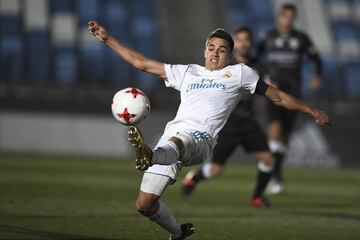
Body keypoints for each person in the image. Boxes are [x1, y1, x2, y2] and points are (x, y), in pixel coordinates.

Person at [88, 21, 329, 240]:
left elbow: (277, 97)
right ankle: (178, 232)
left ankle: (149, 156)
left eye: (222, 49)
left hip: (200, 140)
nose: (215, 53)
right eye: (211, 47)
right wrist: (108, 39)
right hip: (170, 141)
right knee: (145, 205)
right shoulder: (187, 72)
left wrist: (312, 111)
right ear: (204, 51)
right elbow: (141, 63)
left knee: (178, 140)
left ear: (230, 54)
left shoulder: (240, 73)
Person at [181, 27, 274, 208]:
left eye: (246, 40)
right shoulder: (224, 64)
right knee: (216, 169)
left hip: (248, 121)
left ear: (251, 43)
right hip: (227, 122)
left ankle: (256, 197)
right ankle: (194, 177)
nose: (243, 43)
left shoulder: (257, 66)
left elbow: (269, 86)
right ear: (234, 45)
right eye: (239, 40)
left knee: (268, 159)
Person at [256, 4, 322, 194]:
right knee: (275, 131)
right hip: (274, 92)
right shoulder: (267, 37)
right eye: (285, 16)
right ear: (279, 17)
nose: (288, 20)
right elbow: (256, 59)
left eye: (291, 17)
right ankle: (272, 176)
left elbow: (316, 58)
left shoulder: (301, 38)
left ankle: (275, 172)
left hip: (294, 92)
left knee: (284, 137)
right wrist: (265, 76)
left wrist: (316, 75)